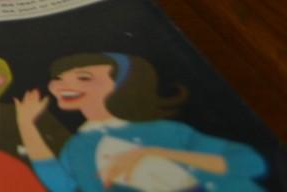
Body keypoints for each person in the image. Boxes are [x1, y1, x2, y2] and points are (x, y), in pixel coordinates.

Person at [15, 52, 268, 191]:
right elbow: (62, 186)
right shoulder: (78, 146)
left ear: (123, 85)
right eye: (59, 78)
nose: (62, 85)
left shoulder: (165, 131)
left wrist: (152, 153)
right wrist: (26, 125)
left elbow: (249, 163)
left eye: (84, 78)